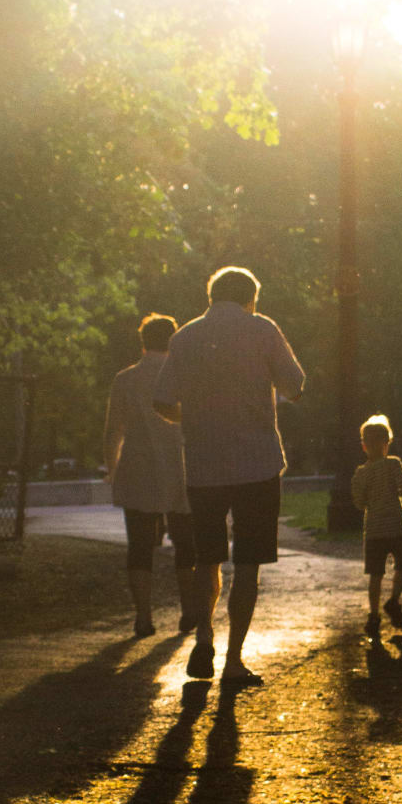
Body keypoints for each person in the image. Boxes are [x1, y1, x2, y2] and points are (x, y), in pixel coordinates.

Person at [153, 266, 304, 686]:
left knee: (207, 558)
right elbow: (295, 385)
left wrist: (195, 418)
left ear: (211, 296)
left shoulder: (184, 338)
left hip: (203, 466)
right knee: (249, 563)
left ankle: (204, 637)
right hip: (257, 464)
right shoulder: (263, 329)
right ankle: (235, 660)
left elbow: (162, 401)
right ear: (250, 298)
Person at [103, 312, 197, 639]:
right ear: (174, 341)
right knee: (187, 544)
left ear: (143, 342)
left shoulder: (125, 379)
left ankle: (143, 617)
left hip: (138, 469)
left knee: (140, 548)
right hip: (181, 469)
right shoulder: (187, 376)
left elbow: (113, 429)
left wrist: (112, 468)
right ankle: (189, 611)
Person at [351, 414, 402, 639]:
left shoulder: (361, 473)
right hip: (396, 526)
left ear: (364, 446)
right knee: (401, 566)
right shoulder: (393, 464)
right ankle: (394, 600)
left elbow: (359, 502)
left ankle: (374, 616)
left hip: (375, 530)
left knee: (375, 574)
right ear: (387, 444)